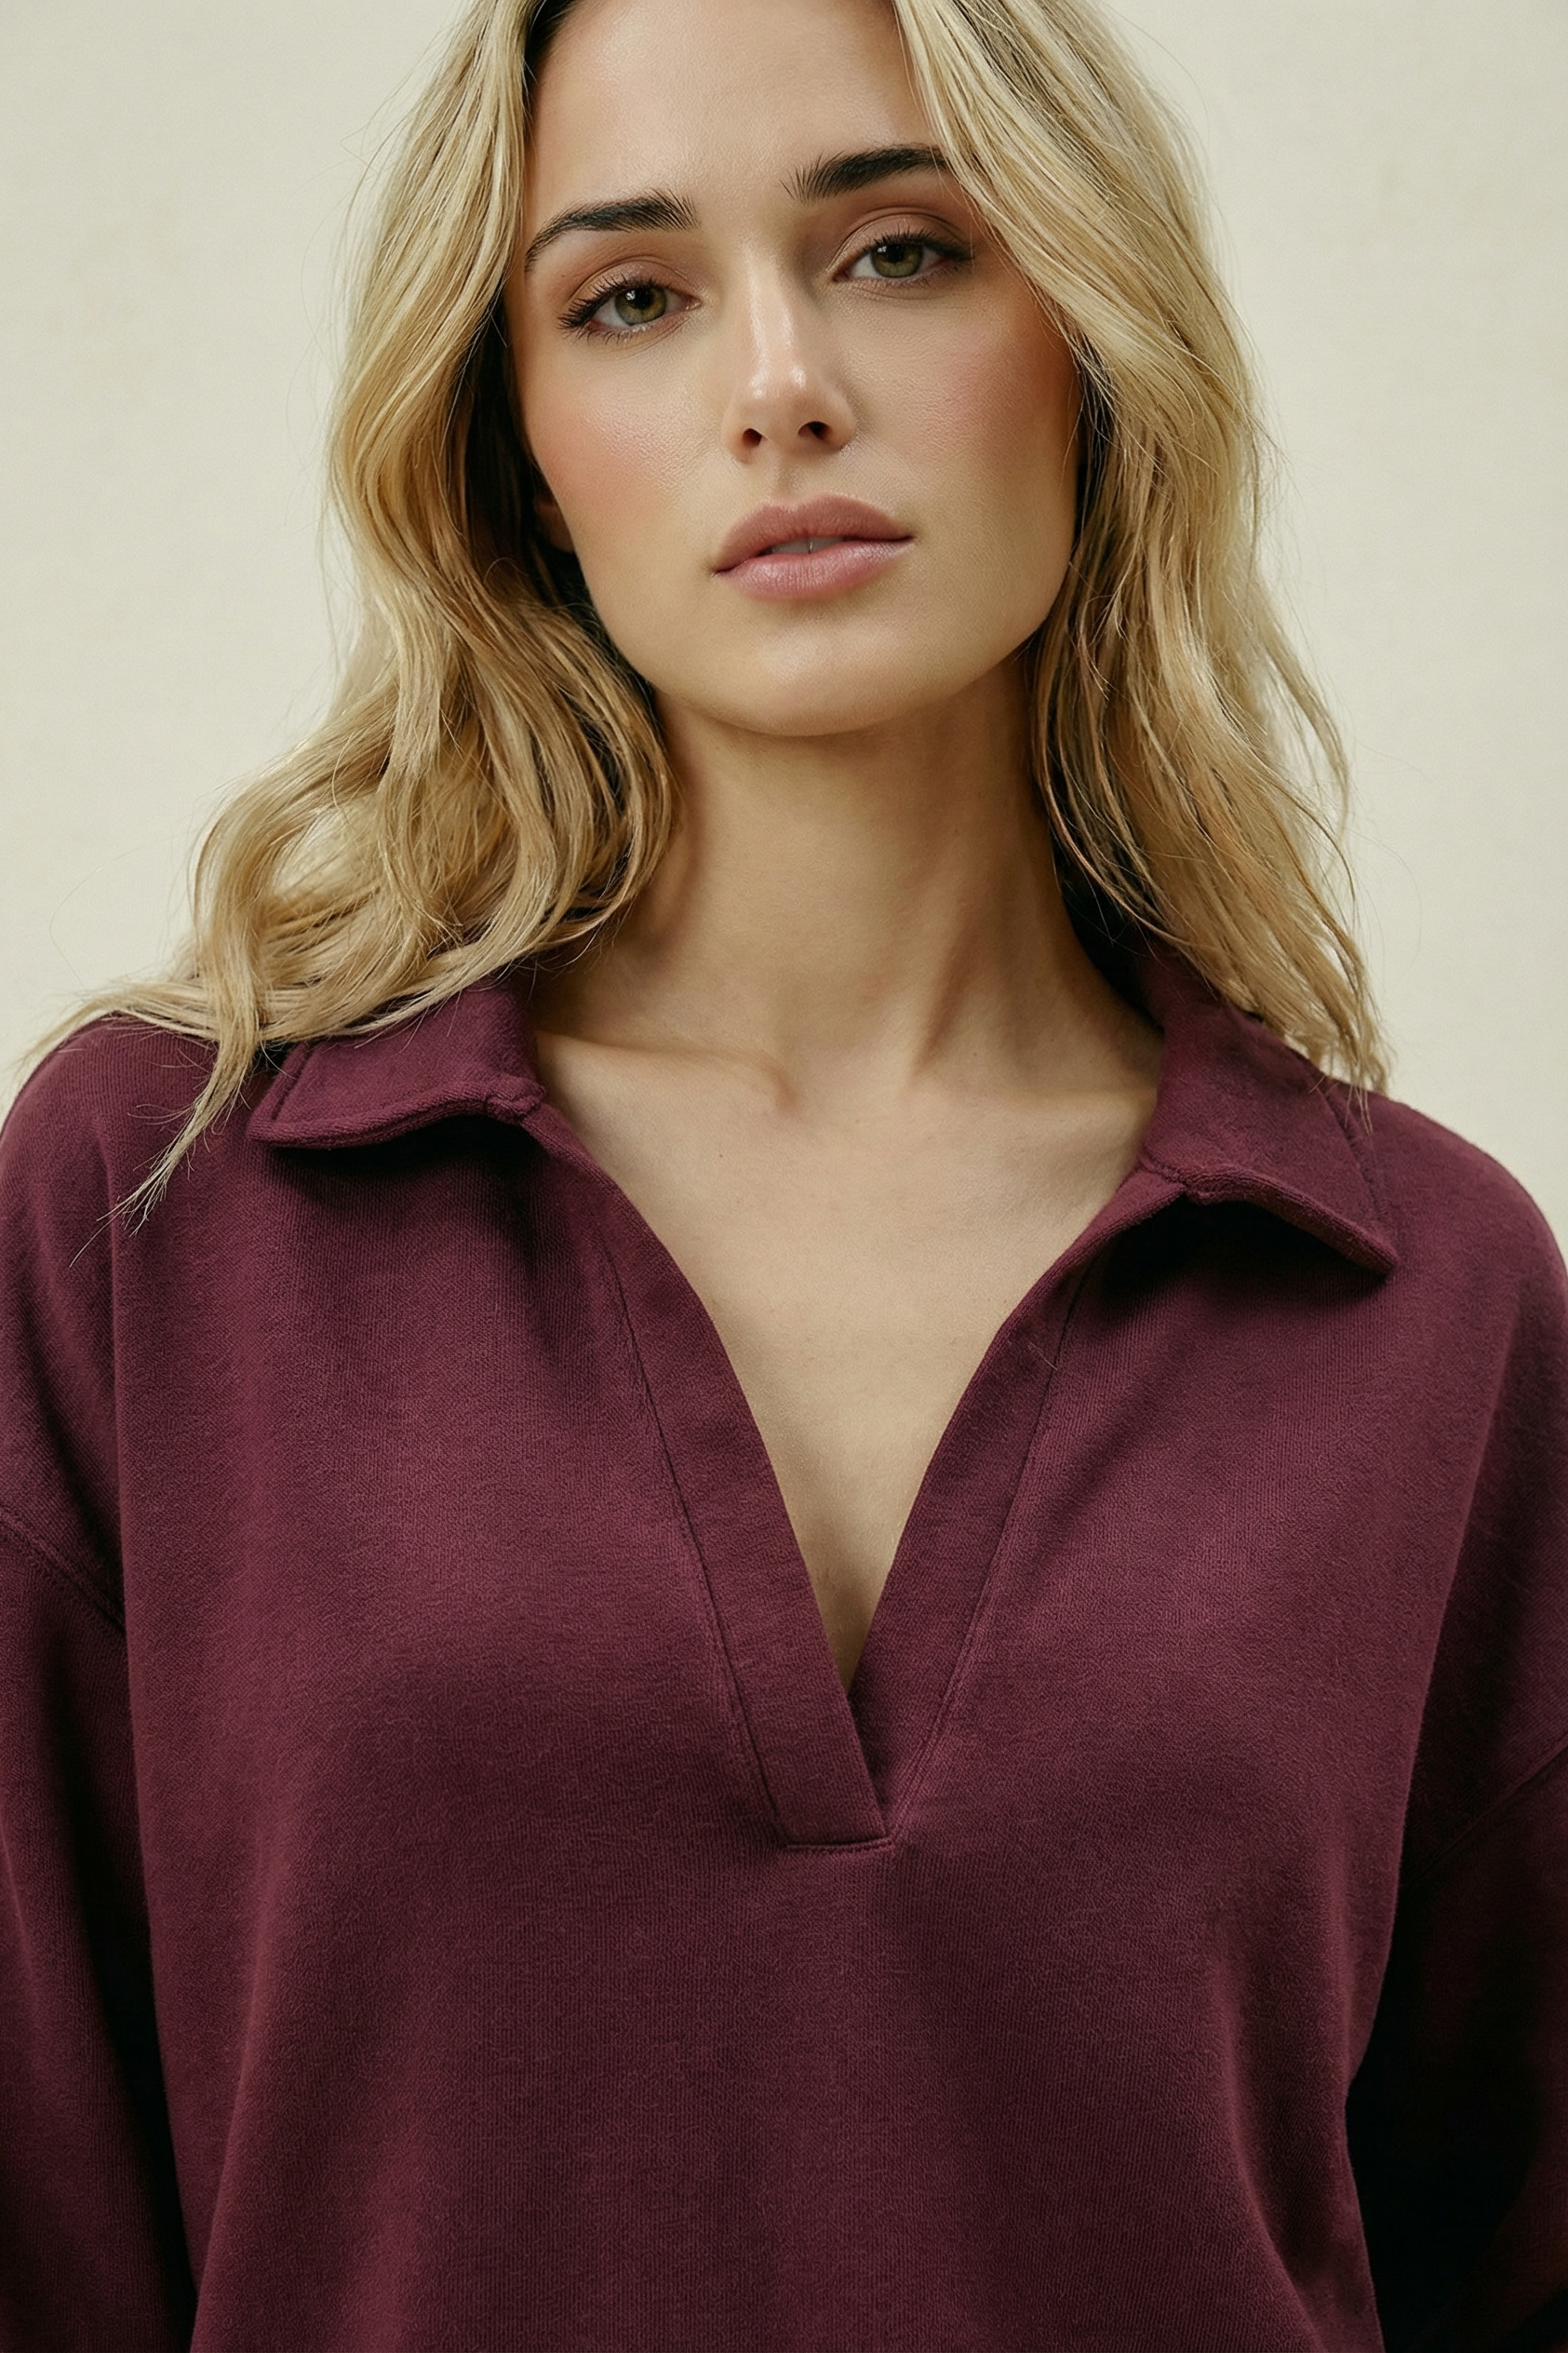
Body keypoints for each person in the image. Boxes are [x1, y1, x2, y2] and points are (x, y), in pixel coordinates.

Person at [1, 0, 1563, 2344]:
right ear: (521, 456)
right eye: (629, 296)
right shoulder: (161, 1204)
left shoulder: (1421, 1294)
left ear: (1090, 337)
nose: (778, 387)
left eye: (898, 252)